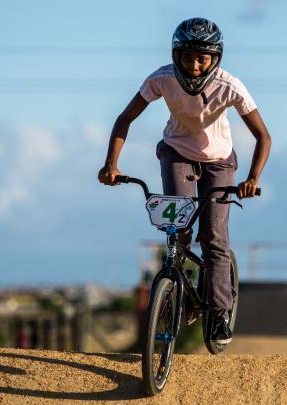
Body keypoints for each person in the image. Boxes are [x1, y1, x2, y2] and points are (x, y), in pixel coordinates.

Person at [97, 17, 271, 346]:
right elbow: (125, 119)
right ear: (176, 56)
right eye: (188, 56)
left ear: (215, 58)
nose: (194, 65)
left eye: (202, 57)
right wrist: (111, 165)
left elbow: (263, 136)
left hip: (220, 161)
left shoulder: (229, 85)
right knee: (179, 230)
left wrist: (253, 177)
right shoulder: (162, 79)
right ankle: (177, 290)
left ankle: (219, 312)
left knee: (213, 238)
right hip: (177, 153)